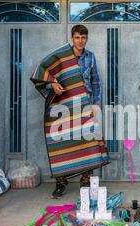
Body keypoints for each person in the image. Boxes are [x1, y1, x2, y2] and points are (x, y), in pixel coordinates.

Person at [31, 24, 110, 199]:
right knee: (62, 145)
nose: (80, 41)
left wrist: (95, 104)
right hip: (64, 107)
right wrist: (52, 84)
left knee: (88, 143)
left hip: (85, 107)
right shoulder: (62, 57)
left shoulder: (90, 57)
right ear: (72, 38)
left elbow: (95, 81)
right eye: (77, 37)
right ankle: (61, 183)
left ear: (87, 39)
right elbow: (43, 71)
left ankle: (85, 182)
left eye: (83, 37)